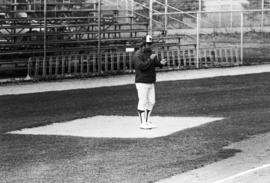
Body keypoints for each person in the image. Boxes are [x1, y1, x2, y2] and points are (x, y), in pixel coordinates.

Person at [133, 35, 167, 129]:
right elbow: (142, 67)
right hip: (142, 81)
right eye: (148, 44)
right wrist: (151, 59)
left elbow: (154, 63)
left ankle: (147, 121)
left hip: (150, 81)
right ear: (143, 44)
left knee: (151, 101)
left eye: (150, 44)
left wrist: (161, 63)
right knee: (143, 102)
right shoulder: (137, 55)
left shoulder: (150, 53)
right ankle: (142, 123)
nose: (150, 46)